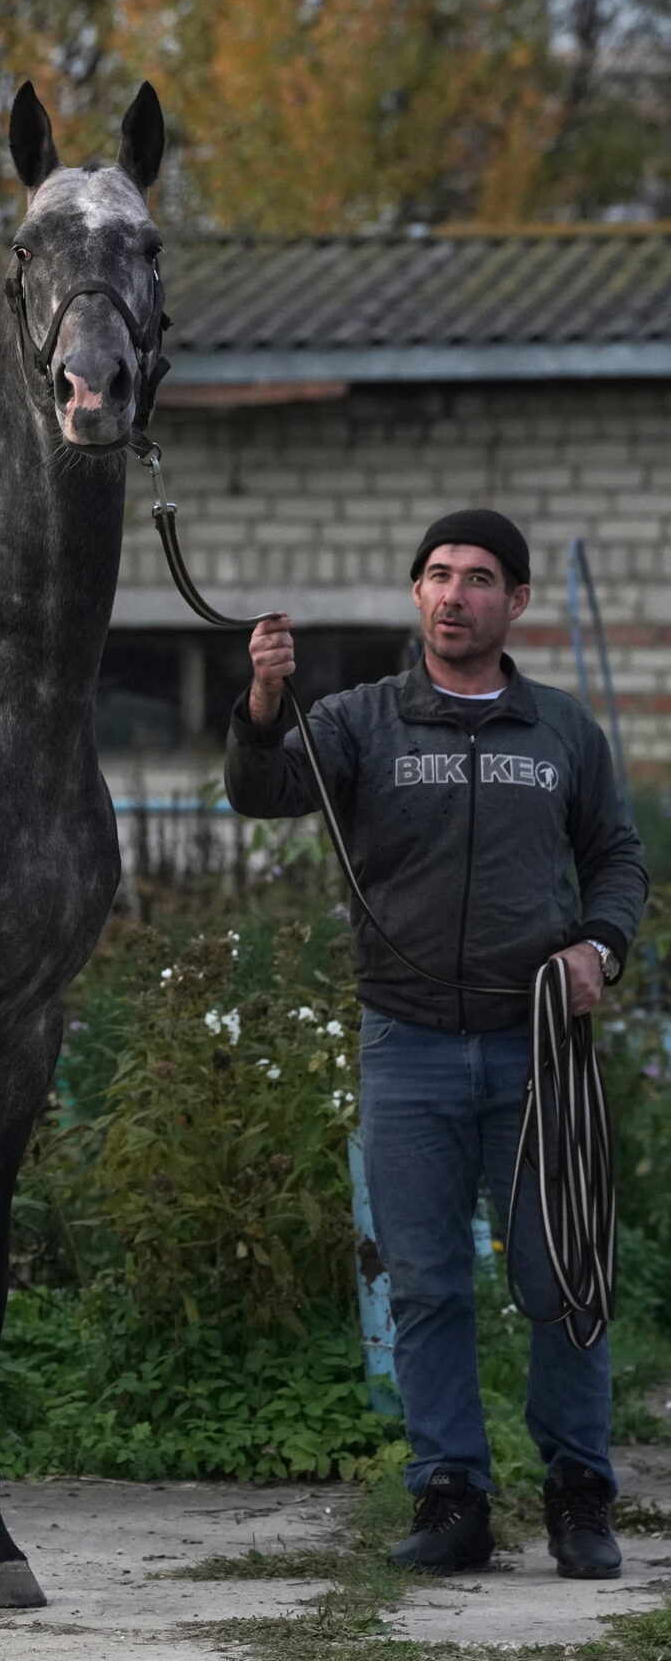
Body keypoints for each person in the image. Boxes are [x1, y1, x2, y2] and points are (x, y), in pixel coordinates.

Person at [223, 508, 649, 1579]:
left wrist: (603, 945)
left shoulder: (562, 733)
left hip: (536, 1048)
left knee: (566, 1276)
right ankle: (451, 1496)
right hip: (406, 1043)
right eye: (437, 576)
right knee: (426, 1283)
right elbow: (260, 792)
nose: (454, 594)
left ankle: (578, 1495)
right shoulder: (362, 721)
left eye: (478, 578)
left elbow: (618, 858)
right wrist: (266, 701)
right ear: (417, 596)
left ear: (516, 603)